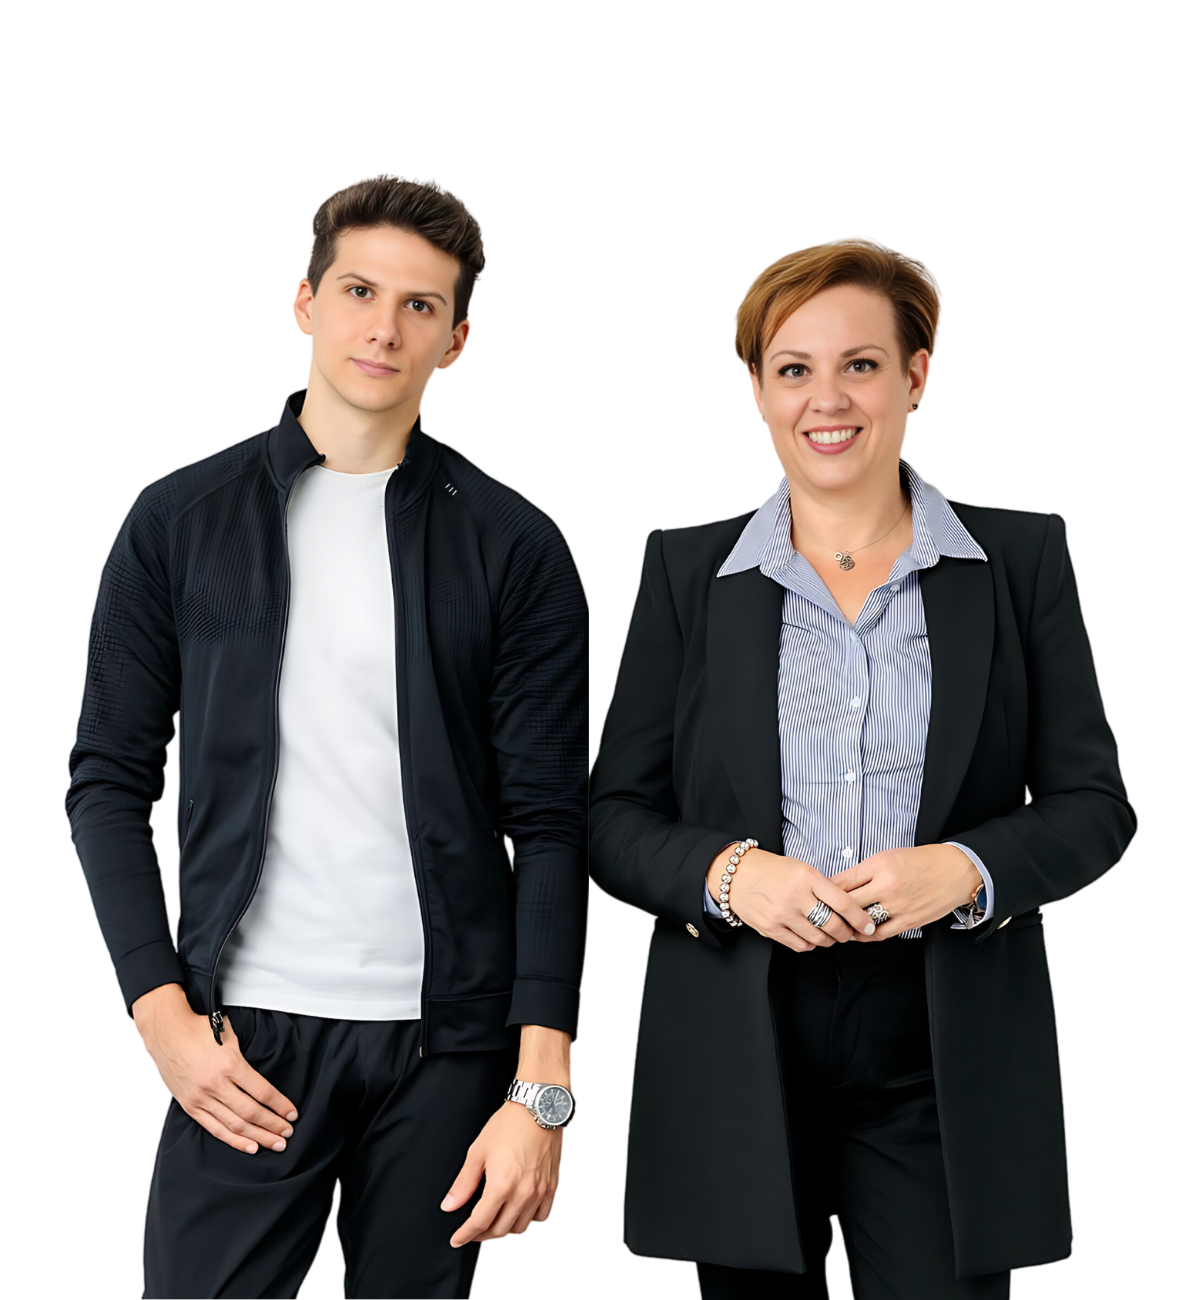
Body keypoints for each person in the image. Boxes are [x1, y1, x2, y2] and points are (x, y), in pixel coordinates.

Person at [64, 174, 589, 1299]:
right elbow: (106, 780)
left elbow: (550, 822)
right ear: (304, 302)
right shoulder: (176, 521)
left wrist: (540, 1088)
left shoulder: (516, 544)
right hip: (240, 1033)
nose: (383, 327)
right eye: (358, 291)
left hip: (447, 1045)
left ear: (455, 342)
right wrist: (159, 1016)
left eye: (419, 305)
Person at [587, 234, 1138, 1299]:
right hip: (740, 1033)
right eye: (794, 368)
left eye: (862, 364)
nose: (826, 400)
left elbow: (1096, 805)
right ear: (757, 390)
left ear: (916, 376)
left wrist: (965, 870)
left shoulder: (1021, 560)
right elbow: (614, 817)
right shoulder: (684, 569)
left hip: (943, 1041)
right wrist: (732, 876)